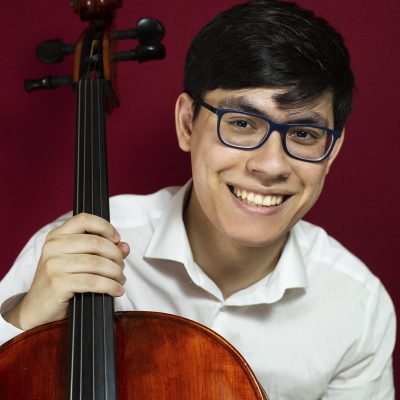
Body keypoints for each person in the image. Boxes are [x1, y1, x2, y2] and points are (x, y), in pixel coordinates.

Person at [0, 0, 396, 398]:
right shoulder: (72, 248)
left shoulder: (356, 307)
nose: (271, 165)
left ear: (334, 150)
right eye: (241, 124)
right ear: (188, 123)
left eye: (304, 135)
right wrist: (25, 317)